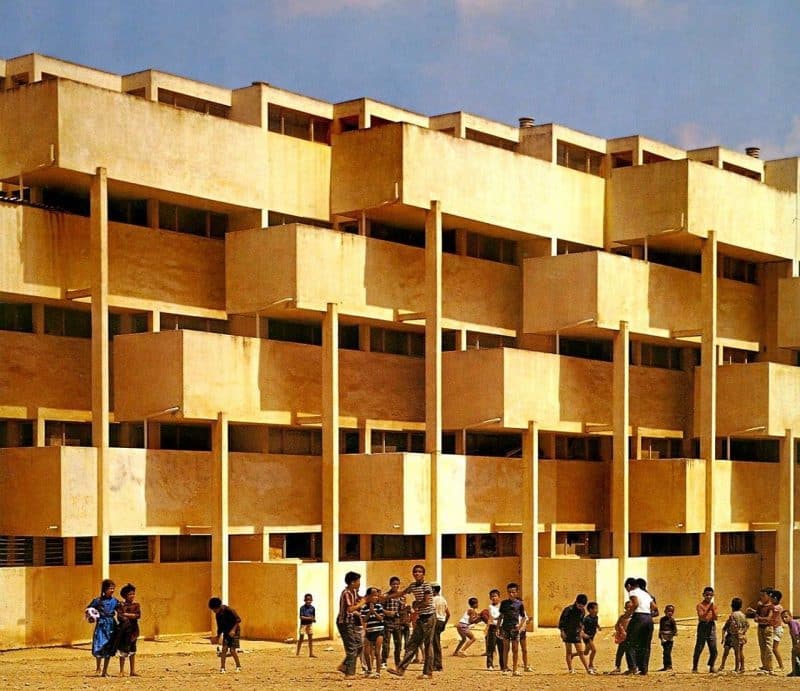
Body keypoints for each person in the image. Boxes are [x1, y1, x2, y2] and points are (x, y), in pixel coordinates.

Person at [387, 564, 436, 680]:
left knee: (428, 644)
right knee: (412, 643)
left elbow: (427, 601)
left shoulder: (427, 586)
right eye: (415, 571)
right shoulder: (413, 586)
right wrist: (386, 597)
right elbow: (401, 593)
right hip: (421, 617)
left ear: (423, 574)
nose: (417, 573)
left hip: (429, 617)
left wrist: (416, 605)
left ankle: (428, 673)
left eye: (419, 572)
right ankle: (400, 669)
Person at [336, 571, 366, 679]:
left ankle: (344, 665)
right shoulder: (346, 593)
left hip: (351, 622)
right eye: (358, 581)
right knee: (352, 647)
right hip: (344, 622)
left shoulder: (353, 592)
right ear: (352, 582)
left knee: (359, 645)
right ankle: (350, 673)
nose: (359, 583)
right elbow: (350, 609)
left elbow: (359, 599)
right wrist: (362, 603)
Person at [87, 579, 120, 676]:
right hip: (101, 625)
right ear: (105, 589)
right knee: (99, 645)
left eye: (113, 588)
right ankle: (98, 668)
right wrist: (92, 617)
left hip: (111, 625)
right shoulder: (98, 601)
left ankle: (105, 670)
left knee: (109, 646)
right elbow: (89, 610)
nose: (112, 590)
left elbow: (120, 611)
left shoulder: (115, 601)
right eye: (110, 588)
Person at [625, 576, 655, 675]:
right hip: (648, 618)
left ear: (629, 586)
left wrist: (628, 614)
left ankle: (633, 667)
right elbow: (654, 607)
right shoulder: (645, 593)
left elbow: (636, 604)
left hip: (638, 618)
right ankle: (644, 668)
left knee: (630, 642)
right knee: (645, 645)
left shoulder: (633, 592)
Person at [558, 593, 594, 674]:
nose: (581, 607)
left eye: (582, 606)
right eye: (579, 605)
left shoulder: (582, 611)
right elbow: (562, 621)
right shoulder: (568, 610)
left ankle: (587, 669)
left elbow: (581, 622)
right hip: (567, 632)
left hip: (576, 633)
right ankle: (570, 669)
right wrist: (562, 632)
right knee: (569, 651)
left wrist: (581, 631)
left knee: (581, 652)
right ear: (576, 602)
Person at [497, 582, 526, 676]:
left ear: (517, 592)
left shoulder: (519, 604)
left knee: (515, 649)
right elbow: (501, 616)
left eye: (513, 592)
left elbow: (523, 617)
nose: (511, 594)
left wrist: (520, 626)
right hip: (505, 628)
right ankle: (505, 668)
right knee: (506, 648)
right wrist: (498, 628)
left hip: (514, 629)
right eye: (509, 592)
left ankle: (515, 670)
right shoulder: (504, 603)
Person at [747, 586, 777, 674]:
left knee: (768, 648)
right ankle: (765, 665)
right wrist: (760, 618)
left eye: (763, 595)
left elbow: (768, 619)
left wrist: (760, 618)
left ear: (769, 596)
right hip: (760, 628)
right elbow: (756, 618)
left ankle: (770, 667)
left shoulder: (771, 607)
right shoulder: (760, 606)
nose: (762, 597)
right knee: (762, 647)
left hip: (768, 628)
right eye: (761, 595)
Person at [208, 597, 241, 674]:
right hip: (226, 631)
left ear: (219, 607)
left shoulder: (229, 610)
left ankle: (238, 666)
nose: (214, 611)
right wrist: (218, 636)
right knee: (224, 649)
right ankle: (222, 668)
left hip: (234, 631)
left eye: (215, 610)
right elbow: (220, 627)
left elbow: (238, 620)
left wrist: (233, 630)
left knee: (232, 650)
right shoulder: (217, 615)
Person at [115, 583, 141, 677]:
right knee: (123, 650)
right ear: (125, 595)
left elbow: (137, 615)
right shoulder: (121, 605)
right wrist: (130, 616)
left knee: (132, 650)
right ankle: (121, 671)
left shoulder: (136, 605)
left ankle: (132, 670)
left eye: (133, 594)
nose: (132, 596)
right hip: (124, 630)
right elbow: (120, 617)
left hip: (133, 631)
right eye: (130, 594)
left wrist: (126, 614)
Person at [692, 586, 718, 673]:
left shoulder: (714, 606)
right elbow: (701, 616)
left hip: (711, 626)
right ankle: (695, 667)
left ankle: (711, 666)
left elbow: (715, 617)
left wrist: (712, 610)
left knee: (713, 649)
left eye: (710, 595)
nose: (709, 597)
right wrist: (708, 609)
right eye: (707, 595)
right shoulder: (700, 605)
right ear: (703, 595)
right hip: (703, 626)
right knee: (699, 647)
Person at [360, 587, 385, 678]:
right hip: (369, 631)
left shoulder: (379, 606)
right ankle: (369, 670)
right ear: (368, 596)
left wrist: (373, 612)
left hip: (379, 631)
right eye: (373, 596)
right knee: (366, 652)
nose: (376, 597)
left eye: (377, 596)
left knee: (377, 652)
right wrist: (369, 612)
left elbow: (381, 618)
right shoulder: (364, 608)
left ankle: (378, 672)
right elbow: (364, 620)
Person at [719, 597, 748, 674]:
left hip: (733, 635)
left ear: (732, 606)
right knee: (740, 651)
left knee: (732, 652)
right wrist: (742, 632)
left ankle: (735, 668)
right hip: (741, 635)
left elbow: (731, 625)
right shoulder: (743, 615)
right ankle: (742, 667)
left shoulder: (733, 615)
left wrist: (734, 632)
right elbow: (747, 625)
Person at [382, 576, 405, 669]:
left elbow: (402, 610)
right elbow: (380, 608)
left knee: (398, 643)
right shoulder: (385, 596)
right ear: (390, 585)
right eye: (394, 584)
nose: (395, 586)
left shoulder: (401, 596)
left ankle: (397, 661)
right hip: (387, 621)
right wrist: (387, 612)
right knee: (386, 642)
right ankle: (384, 661)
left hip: (397, 621)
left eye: (397, 584)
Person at [610, 601, 634, 674]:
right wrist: (619, 631)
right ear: (625, 608)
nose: (629, 609)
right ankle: (617, 666)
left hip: (630, 638)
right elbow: (617, 625)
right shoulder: (622, 617)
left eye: (630, 607)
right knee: (620, 652)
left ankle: (632, 668)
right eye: (627, 607)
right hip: (622, 638)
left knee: (629, 653)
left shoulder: (633, 618)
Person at [431, 584, 450, 672]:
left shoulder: (433, 600)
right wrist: (444, 624)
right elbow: (448, 614)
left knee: (435, 643)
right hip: (441, 622)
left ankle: (437, 664)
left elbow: (432, 612)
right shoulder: (443, 599)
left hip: (435, 621)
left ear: (434, 590)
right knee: (436, 642)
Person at [484, 588, 503, 671]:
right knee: (491, 647)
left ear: (499, 597)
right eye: (492, 596)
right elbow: (494, 616)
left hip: (502, 628)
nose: (493, 598)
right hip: (493, 628)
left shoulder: (503, 606)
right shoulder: (490, 607)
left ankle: (503, 665)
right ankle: (490, 665)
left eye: (495, 596)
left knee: (502, 647)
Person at [658, 604, 677, 671]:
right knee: (664, 653)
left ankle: (669, 666)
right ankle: (665, 666)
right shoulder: (662, 620)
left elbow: (674, 631)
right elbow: (660, 630)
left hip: (669, 639)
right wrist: (661, 638)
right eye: (668, 611)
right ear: (665, 611)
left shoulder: (672, 620)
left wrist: (669, 636)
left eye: (671, 611)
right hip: (663, 638)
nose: (670, 613)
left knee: (667, 653)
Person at [582, 601, 600, 673]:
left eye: (597, 608)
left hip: (592, 636)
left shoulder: (596, 617)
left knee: (586, 652)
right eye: (595, 608)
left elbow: (596, 623)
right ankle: (590, 665)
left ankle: (573, 655)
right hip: (587, 637)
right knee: (594, 650)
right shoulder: (586, 619)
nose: (597, 610)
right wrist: (583, 634)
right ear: (590, 610)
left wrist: (598, 627)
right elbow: (581, 627)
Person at [296, 593, 316, 657]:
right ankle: (297, 653)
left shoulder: (313, 608)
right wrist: (310, 618)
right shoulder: (302, 608)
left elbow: (313, 616)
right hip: (303, 625)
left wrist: (313, 620)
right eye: (307, 600)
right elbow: (301, 617)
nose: (308, 601)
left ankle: (311, 653)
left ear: (311, 600)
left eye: (309, 600)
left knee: (310, 639)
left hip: (309, 625)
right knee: (301, 638)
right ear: (304, 600)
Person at [782, 610, 800, 676]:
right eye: (782, 618)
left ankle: (794, 672)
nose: (784, 619)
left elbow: (796, 635)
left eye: (786, 617)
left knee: (794, 653)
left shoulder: (793, 623)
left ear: (791, 616)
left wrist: (796, 646)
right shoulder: (791, 624)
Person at [771, 590, 785, 672]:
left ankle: (781, 666)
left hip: (777, 629)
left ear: (775, 598)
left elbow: (772, 610)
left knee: (774, 649)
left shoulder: (778, 607)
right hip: (775, 629)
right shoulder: (775, 607)